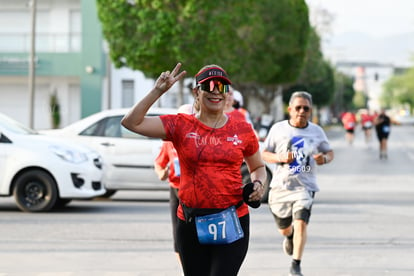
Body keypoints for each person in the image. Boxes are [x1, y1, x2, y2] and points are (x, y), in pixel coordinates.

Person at [121, 63, 267, 276]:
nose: (216, 91)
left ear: (228, 94)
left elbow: (258, 167)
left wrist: (259, 184)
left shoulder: (242, 129)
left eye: (222, 86)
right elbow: (131, 122)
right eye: (209, 85)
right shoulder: (180, 125)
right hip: (190, 221)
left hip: (232, 218)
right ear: (196, 92)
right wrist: (158, 91)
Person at [262, 91, 334, 276]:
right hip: (280, 187)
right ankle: (288, 236)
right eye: (298, 108)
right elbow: (264, 154)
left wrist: (323, 159)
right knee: (284, 228)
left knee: (301, 222)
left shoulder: (316, 131)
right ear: (290, 110)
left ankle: (296, 264)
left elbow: (329, 152)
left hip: (305, 186)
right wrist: (280, 157)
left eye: (306, 108)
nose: (302, 111)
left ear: (310, 111)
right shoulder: (278, 129)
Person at [153, 104, 195, 268]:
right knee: (178, 235)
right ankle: (186, 270)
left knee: (197, 234)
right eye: (181, 120)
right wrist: (161, 172)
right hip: (176, 190)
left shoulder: (202, 139)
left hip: (197, 192)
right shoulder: (169, 141)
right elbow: (159, 163)